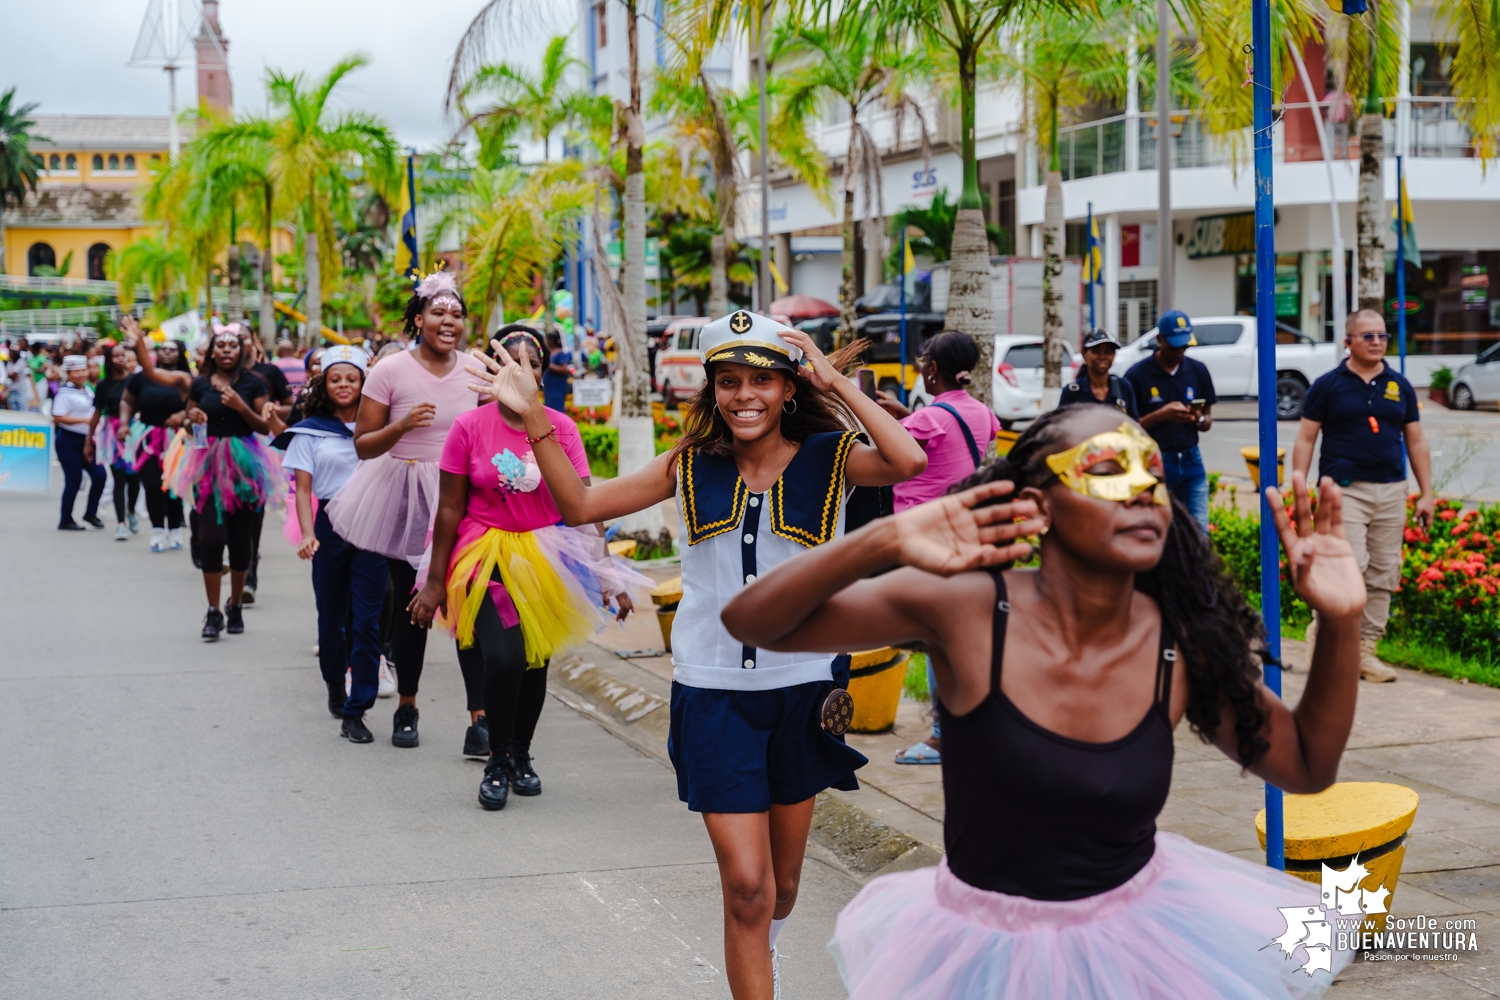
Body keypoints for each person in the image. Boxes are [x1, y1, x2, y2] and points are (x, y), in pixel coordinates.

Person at [724, 405, 1365, 999]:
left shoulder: (1177, 642)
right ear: (1040, 504)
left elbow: (1305, 766)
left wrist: (1341, 622)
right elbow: (754, 621)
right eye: (1109, 470)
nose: (1143, 490)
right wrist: (885, 540)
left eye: (1154, 475)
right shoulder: (966, 610)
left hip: (1141, 950)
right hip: (979, 955)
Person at [470, 308, 926, 998]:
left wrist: (835, 382)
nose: (745, 396)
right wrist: (536, 417)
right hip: (712, 696)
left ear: (788, 390)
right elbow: (582, 503)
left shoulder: (832, 460)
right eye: (729, 381)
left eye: (762, 382)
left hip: (804, 693)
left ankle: (761, 954)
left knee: (784, 886)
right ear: (711, 390)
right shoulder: (688, 466)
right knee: (747, 888)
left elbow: (908, 459)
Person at [409, 328, 649, 808]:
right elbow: (450, 510)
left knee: (535, 661)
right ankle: (497, 758)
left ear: (542, 371)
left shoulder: (561, 427)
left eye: (532, 363)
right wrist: (434, 583)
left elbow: (586, 506)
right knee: (504, 658)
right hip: (485, 555)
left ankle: (521, 754)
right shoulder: (468, 428)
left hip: (548, 556)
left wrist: (607, 575)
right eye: (510, 362)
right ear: (492, 371)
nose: (523, 371)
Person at [327, 267, 485, 750]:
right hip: (402, 493)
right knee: (414, 607)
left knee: (469, 607)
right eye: (438, 311)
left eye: (456, 313)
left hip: (460, 495)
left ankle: (479, 717)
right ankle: (407, 706)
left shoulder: (477, 367)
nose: (448, 321)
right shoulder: (390, 370)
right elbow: (363, 446)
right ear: (418, 319)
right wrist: (402, 427)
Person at [875, 330, 1000, 766]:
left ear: (931, 369)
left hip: (927, 539)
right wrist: (902, 413)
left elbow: (885, 448)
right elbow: (951, 440)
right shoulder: (981, 412)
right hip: (965, 533)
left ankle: (943, 738)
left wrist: (889, 415)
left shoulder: (927, 420)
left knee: (937, 635)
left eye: (923, 362)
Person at [1293, 308, 1434, 684]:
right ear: (1348, 341)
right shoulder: (1327, 385)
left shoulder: (1399, 385)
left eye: (1382, 336)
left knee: (1384, 571)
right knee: (1347, 568)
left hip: (1391, 489)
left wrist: (1426, 494)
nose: (1376, 342)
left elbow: (1415, 439)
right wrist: (1299, 487)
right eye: (1368, 336)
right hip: (1343, 491)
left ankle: (1366, 651)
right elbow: (1306, 438)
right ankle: (1328, 639)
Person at [128, 319, 278, 640]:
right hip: (208, 463)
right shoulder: (200, 384)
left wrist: (240, 405)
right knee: (210, 539)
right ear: (211, 351)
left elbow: (264, 428)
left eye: (232, 345)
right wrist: (191, 419)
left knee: (241, 544)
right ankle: (213, 610)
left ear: (242, 349)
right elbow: (191, 428)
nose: (226, 350)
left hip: (245, 466)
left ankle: (235, 602)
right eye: (220, 345)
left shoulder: (253, 383)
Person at [282, 345, 389, 739]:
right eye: (335, 379)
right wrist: (308, 534)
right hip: (328, 527)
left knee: (366, 622)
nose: (344, 385)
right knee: (331, 622)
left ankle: (356, 709)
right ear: (324, 384)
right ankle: (333, 683)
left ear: (364, 383)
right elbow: (303, 491)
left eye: (352, 378)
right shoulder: (310, 431)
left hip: (372, 525)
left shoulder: (380, 427)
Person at [1124, 310, 1216, 529]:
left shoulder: (1198, 370)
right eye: (1175, 346)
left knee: (1199, 533)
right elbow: (1128, 430)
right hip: (1155, 462)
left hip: (1192, 461)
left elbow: (1207, 421)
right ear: (1159, 340)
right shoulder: (1137, 375)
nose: (1180, 352)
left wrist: (1198, 418)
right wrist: (1161, 415)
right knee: (1159, 532)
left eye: (1185, 346)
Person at [121, 338, 190, 552]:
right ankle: (157, 531)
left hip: (178, 438)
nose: (167, 352)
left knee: (175, 485)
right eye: (163, 349)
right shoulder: (141, 378)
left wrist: (183, 414)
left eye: (173, 349)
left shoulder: (186, 379)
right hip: (148, 436)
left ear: (181, 354)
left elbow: (199, 403)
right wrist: (124, 423)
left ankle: (175, 530)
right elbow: (127, 400)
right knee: (152, 484)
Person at [84, 342, 143, 541]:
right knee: (119, 479)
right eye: (116, 356)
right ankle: (121, 524)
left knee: (134, 478)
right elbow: (96, 413)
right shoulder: (103, 384)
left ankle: (131, 510)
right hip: (112, 434)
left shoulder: (135, 381)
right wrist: (88, 441)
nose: (121, 359)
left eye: (123, 355)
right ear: (108, 360)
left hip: (134, 432)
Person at [53, 355, 107, 531]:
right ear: (68, 373)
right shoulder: (64, 393)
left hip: (88, 441)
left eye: (84, 370)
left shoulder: (88, 390)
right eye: (76, 371)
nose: (82, 374)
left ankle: (90, 513)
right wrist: (84, 421)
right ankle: (65, 519)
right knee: (73, 481)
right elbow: (58, 417)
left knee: (100, 476)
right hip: (69, 440)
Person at [1061, 328, 1139, 418]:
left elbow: (1134, 426)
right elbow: (1060, 427)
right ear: (1084, 354)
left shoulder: (1124, 387)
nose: (1102, 356)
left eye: (1108, 351)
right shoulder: (1072, 392)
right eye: (1096, 351)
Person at [542, 331, 572, 411]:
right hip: (549, 387)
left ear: (551, 341)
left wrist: (549, 365)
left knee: (557, 408)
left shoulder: (560, 353)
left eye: (547, 339)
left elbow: (564, 369)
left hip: (557, 386)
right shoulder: (550, 353)